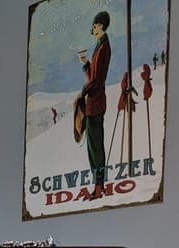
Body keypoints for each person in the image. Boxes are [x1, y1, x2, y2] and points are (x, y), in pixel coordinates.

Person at [77, 11, 111, 199]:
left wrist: (82, 91)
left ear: (101, 25)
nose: (93, 29)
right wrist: (86, 64)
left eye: (95, 26)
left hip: (96, 103)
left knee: (96, 147)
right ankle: (98, 186)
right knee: (92, 147)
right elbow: (94, 75)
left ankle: (99, 186)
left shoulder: (104, 46)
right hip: (94, 103)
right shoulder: (100, 45)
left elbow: (97, 80)